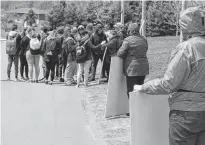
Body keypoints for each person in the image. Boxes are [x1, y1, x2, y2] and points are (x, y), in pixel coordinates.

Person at [134, 6, 205, 145]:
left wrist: (144, 87)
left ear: (185, 25)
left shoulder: (187, 48)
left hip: (185, 113)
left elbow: (169, 84)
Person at [117, 23, 149, 99]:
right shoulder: (144, 39)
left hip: (132, 69)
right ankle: (139, 108)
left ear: (130, 31)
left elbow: (120, 53)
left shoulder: (128, 40)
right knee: (140, 89)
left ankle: (133, 110)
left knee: (131, 91)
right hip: (143, 68)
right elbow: (145, 49)